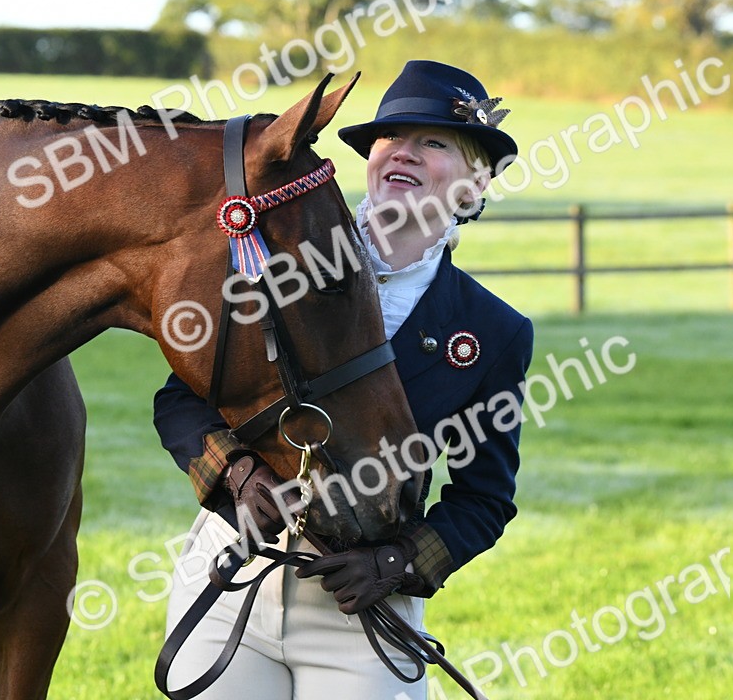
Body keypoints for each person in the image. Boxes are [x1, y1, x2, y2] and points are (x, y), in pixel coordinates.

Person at [153, 60, 534, 699]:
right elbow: (179, 401)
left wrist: (398, 562)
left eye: (434, 142)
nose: (402, 153)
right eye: (390, 137)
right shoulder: (278, 262)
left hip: (361, 612)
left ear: (474, 183)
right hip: (229, 577)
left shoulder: (494, 332)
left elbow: (484, 500)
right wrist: (238, 476)